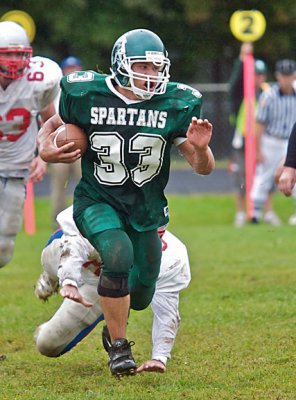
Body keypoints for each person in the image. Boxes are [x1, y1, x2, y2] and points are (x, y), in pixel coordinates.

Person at [37, 28, 215, 376]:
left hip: (145, 208)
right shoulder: (86, 91)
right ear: (120, 64)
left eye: (155, 67)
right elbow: (54, 122)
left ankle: (111, 327)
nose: (151, 75)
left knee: (143, 289)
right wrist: (45, 147)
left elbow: (202, 168)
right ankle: (120, 349)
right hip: (97, 198)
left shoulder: (176, 102)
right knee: (117, 252)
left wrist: (203, 148)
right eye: (142, 67)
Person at [34, 205, 191, 374]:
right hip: (78, 262)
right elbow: (73, 244)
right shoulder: (102, 221)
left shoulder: (172, 259)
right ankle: (51, 276)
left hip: (101, 284)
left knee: (47, 344)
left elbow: (167, 312)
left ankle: (116, 314)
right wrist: (68, 280)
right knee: (55, 257)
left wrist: (159, 356)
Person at [0, 21, 62, 268]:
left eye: (19, 54)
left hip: (16, 167)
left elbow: (49, 117)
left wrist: (42, 154)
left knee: (3, 249)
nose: (14, 60)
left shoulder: (41, 80)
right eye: (8, 54)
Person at [228, 42, 280, 227]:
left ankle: (268, 211)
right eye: (253, 74)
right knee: (240, 176)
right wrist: (242, 60)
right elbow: (234, 86)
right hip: (242, 140)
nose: (256, 78)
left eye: (259, 75)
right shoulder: (242, 95)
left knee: (266, 176)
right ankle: (241, 213)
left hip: (263, 141)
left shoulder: (268, 95)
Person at [250, 58, 296, 223]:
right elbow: (260, 123)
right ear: (278, 76)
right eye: (284, 76)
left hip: (291, 142)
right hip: (272, 140)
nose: (286, 79)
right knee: (264, 175)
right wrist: (258, 149)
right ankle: (254, 212)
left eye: (289, 75)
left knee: (294, 174)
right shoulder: (269, 95)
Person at [50, 56, 82, 226]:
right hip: (58, 143)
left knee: (85, 183)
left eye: (75, 68)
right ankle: (57, 220)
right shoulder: (55, 91)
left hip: (81, 146)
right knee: (59, 184)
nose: (72, 71)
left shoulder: (85, 91)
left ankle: (84, 216)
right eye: (69, 68)